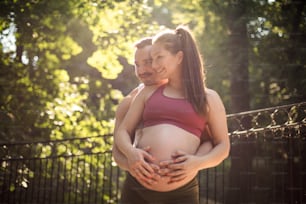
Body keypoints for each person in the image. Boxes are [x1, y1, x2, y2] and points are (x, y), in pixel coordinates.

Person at [115, 25, 230, 203]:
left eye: (158, 57)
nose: (154, 65)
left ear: (179, 57)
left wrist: (197, 163)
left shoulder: (209, 98)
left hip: (181, 193)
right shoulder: (148, 92)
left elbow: (222, 146)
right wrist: (131, 153)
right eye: (151, 59)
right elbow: (123, 131)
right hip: (136, 188)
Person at [113, 37, 213, 184]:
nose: (141, 71)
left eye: (147, 62)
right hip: (139, 186)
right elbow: (117, 154)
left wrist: (194, 164)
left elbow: (208, 141)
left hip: (182, 187)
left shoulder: (186, 96)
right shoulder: (129, 102)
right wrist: (139, 168)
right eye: (137, 65)